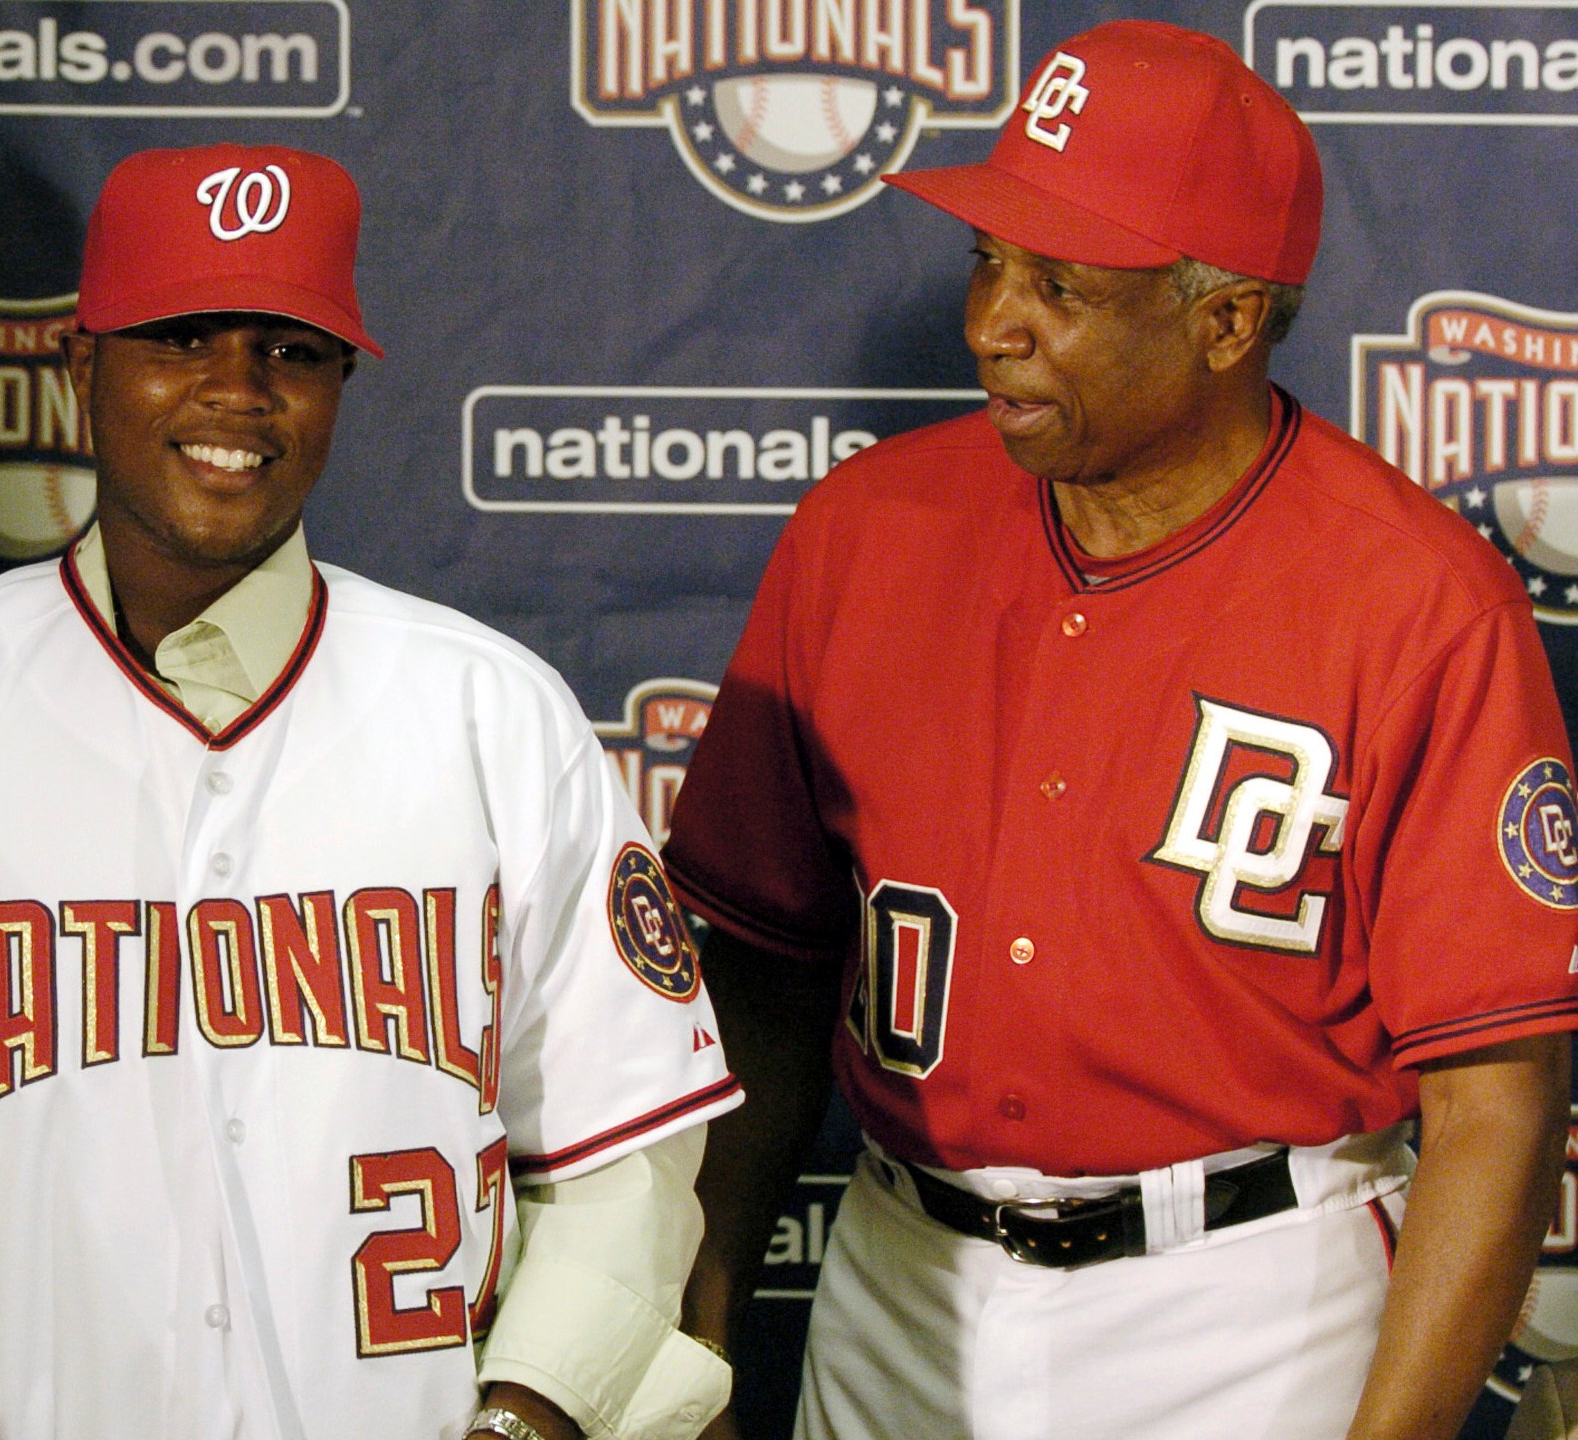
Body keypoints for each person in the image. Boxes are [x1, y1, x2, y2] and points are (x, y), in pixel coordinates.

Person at [0, 144, 741, 1440]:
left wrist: (527, 1420)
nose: (238, 393)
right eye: (181, 336)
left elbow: (628, 1159)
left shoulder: (494, 718)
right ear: (80, 367)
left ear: (340, 384)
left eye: (290, 350)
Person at [662, 20, 1578, 1440]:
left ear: (1224, 321)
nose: (989, 323)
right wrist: (700, 1318)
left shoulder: (1418, 602)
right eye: (986, 262)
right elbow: (764, 974)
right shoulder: (865, 531)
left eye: (1058, 284)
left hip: (1250, 1306)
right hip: (906, 1277)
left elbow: (1494, 1104)